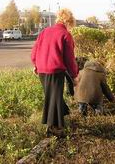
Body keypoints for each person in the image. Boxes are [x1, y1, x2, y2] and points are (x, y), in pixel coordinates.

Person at [31, 8, 78, 137]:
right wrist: (74, 75)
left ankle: (62, 113)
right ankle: (53, 128)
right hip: (55, 70)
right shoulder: (65, 34)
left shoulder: (44, 31)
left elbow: (35, 50)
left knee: (51, 96)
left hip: (42, 70)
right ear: (69, 22)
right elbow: (69, 58)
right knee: (54, 97)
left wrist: (35, 64)